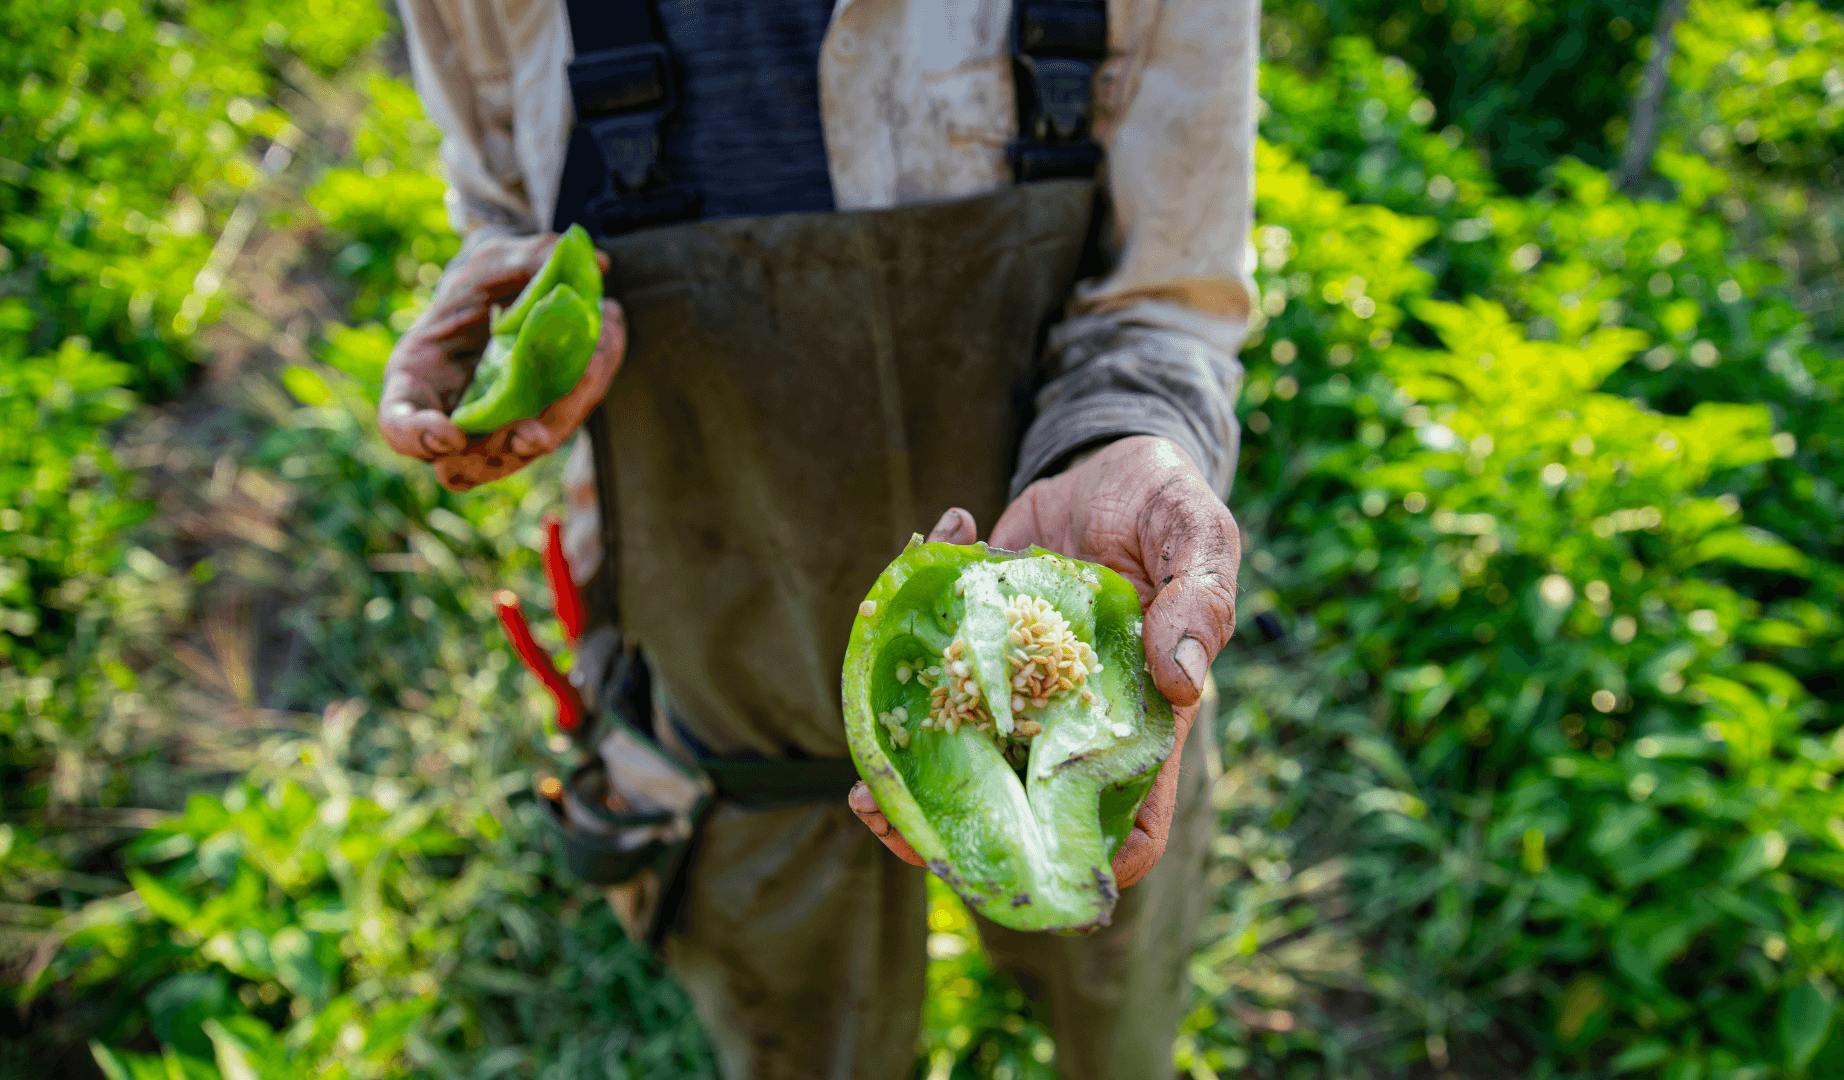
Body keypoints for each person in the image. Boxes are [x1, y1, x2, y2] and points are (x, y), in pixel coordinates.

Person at [376, 1, 1253, 1076]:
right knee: (801, 1034)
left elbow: (1165, 296)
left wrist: (1124, 438)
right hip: (724, 671)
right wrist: (526, 321)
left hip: (1083, 614)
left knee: (1112, 1004)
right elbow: (508, 203)